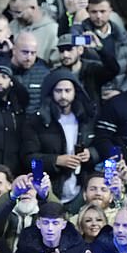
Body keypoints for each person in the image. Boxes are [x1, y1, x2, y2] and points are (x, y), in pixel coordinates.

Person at [22, 68, 98, 205]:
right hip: (49, 190)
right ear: (51, 92)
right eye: (58, 91)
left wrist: (90, 153)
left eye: (67, 91)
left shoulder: (86, 118)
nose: (63, 95)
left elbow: (100, 146)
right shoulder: (36, 121)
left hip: (81, 190)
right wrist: (56, 160)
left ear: (75, 92)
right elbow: (28, 159)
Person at [8, 0, 59, 65]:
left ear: (32, 8)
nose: (14, 16)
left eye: (18, 12)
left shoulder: (52, 30)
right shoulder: (12, 25)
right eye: (12, 12)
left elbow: (56, 64)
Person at [10, 31, 51, 113]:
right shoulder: (3, 70)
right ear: (14, 50)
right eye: (25, 52)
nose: (29, 57)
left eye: (33, 53)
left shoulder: (44, 74)